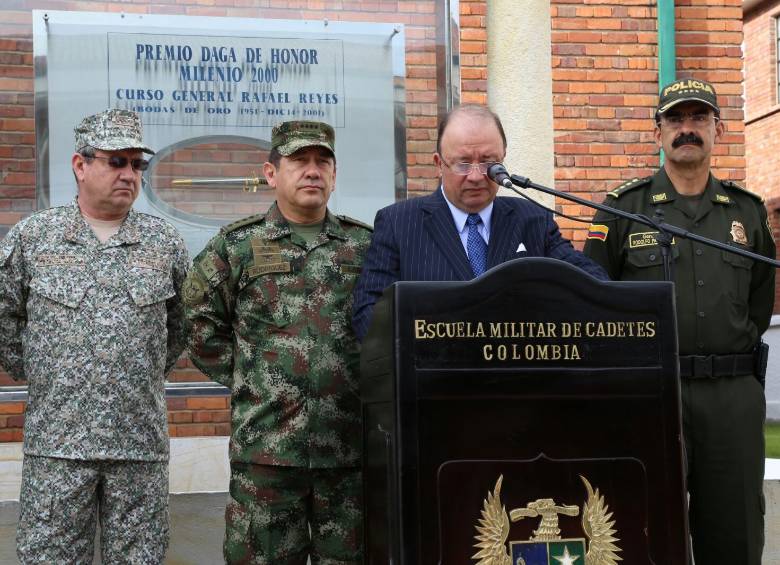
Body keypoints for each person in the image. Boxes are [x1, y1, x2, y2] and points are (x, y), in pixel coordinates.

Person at [583, 78, 775, 564]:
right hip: (650, 391)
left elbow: (759, 301)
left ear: (718, 129)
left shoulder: (748, 213)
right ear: (657, 133)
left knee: (735, 531)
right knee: (643, 529)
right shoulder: (623, 209)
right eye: (675, 120)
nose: (686, 129)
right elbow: (593, 297)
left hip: (730, 395)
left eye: (698, 119)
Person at [0, 108, 189, 563]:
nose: (129, 174)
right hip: (58, 446)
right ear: (80, 165)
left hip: (138, 446)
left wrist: (134, 373)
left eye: (137, 164)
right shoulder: (35, 238)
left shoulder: (163, 243)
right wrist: (48, 374)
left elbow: (179, 325)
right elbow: (5, 318)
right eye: (115, 161)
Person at [184, 120, 372, 564]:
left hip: (348, 452)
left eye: (321, 161)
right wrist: (255, 376)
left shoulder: (364, 246)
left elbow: (387, 329)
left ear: (334, 173)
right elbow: (197, 321)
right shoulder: (237, 247)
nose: (312, 171)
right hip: (266, 453)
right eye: (298, 161)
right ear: (271, 173)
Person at [351, 104, 608, 340]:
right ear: (438, 164)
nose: (476, 176)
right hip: (434, 380)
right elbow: (369, 314)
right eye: (463, 164)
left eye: (489, 163)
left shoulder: (532, 219)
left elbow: (591, 281)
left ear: (503, 159)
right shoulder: (398, 223)